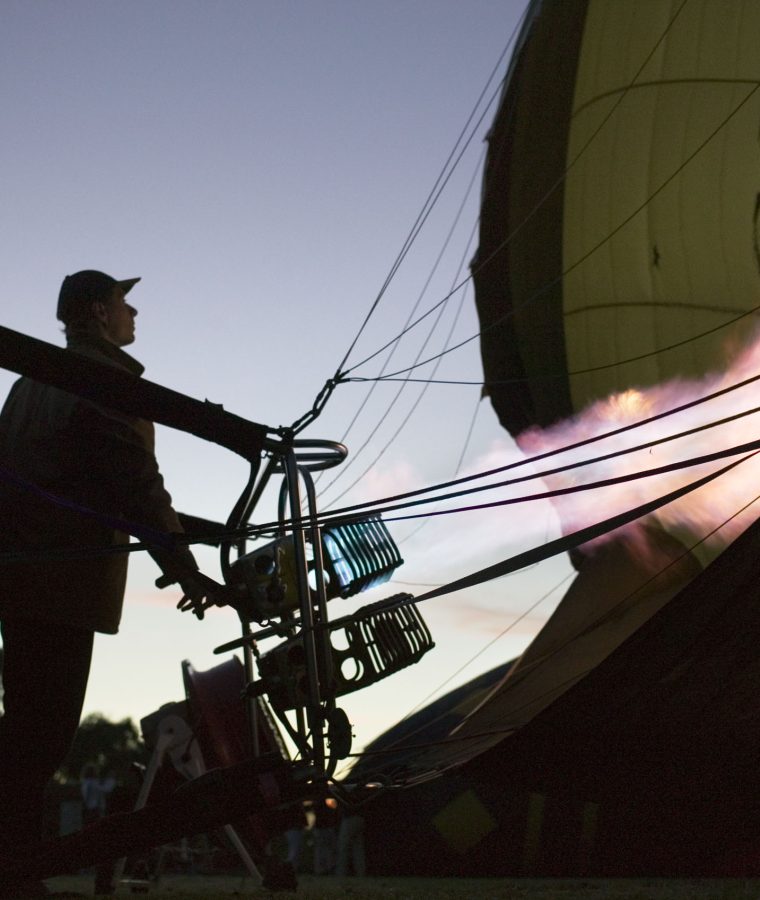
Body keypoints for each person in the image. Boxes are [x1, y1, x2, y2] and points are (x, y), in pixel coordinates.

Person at [0, 270, 212, 896]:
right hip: (64, 584)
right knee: (44, 735)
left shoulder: (27, 385)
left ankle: (16, 863)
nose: (133, 309)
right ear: (98, 313)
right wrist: (186, 570)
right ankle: (15, 871)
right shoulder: (106, 383)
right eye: (123, 301)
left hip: (19, 583)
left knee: (25, 728)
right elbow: (138, 486)